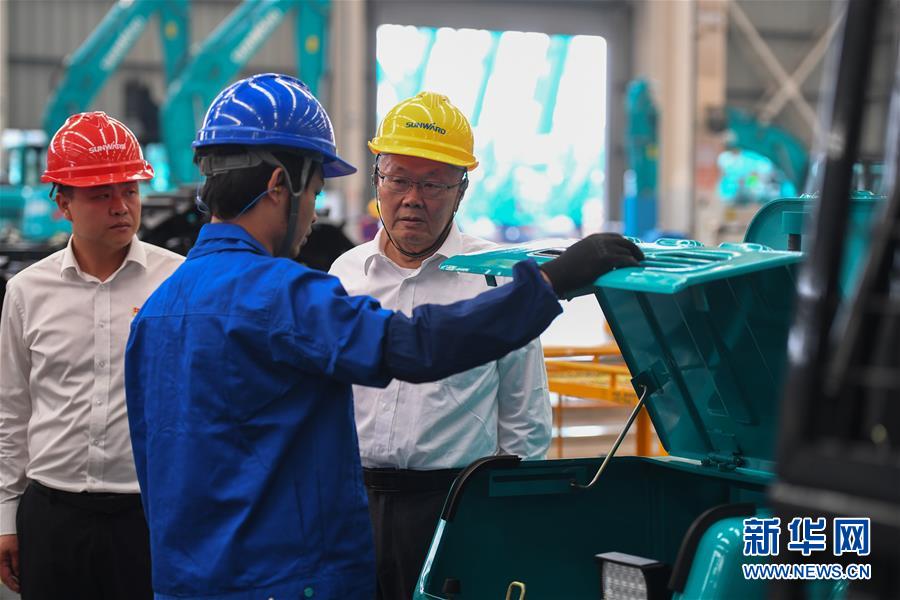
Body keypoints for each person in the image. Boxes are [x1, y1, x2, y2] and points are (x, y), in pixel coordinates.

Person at [124, 73, 644, 600]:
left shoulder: (157, 309)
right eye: (316, 192)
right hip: (285, 576)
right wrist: (550, 284)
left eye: (433, 183)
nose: (312, 217)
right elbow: (416, 346)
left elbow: (154, 468)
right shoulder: (291, 294)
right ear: (281, 185)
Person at [329, 91, 552, 599]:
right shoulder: (345, 275)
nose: (413, 198)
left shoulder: (496, 278)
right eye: (400, 179)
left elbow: (525, 420)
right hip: (351, 501)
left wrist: (499, 517)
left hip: (453, 505)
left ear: (461, 189)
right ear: (377, 179)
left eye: (433, 183)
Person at [0, 111, 184, 599]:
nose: (121, 206)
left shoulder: (178, 283)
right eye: (101, 193)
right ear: (62, 201)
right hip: (52, 515)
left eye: (129, 190)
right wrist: (5, 515)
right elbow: (11, 410)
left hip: (145, 515)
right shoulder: (26, 292)